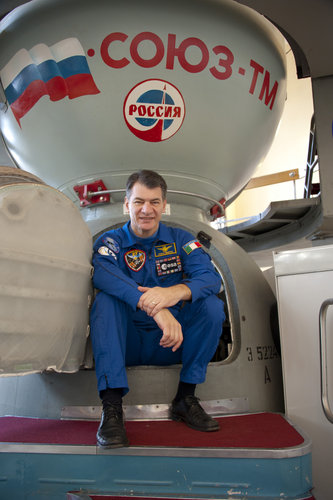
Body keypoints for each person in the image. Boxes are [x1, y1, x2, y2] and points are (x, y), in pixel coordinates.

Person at [90, 170, 225, 448]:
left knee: (211, 306)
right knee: (105, 301)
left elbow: (209, 278)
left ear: (164, 205)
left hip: (171, 343)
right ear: (126, 204)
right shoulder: (111, 243)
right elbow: (102, 274)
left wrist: (173, 293)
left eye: (154, 202)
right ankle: (112, 408)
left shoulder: (182, 240)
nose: (146, 210)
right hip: (126, 342)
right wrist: (155, 308)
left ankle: (186, 398)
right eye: (138, 202)